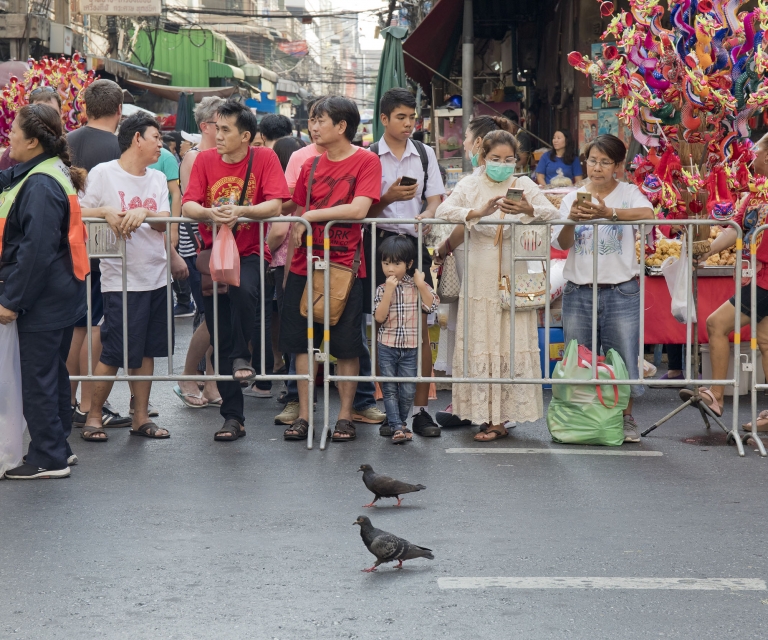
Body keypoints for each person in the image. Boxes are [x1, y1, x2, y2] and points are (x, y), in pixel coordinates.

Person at [435, 126, 559, 440]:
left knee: (509, 342)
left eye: (508, 158)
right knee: (481, 341)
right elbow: (443, 211)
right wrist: (475, 213)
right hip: (478, 277)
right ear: (482, 156)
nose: (502, 163)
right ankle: (482, 414)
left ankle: (499, 420)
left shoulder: (524, 184)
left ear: (516, 160)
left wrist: (528, 209)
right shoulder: (470, 183)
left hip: (514, 275)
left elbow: (552, 214)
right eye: (495, 158)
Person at [274, 96, 385, 428]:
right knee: (301, 343)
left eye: (320, 120)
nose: (313, 126)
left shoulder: (366, 161)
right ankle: (305, 417)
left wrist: (309, 215)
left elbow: (358, 209)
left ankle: (345, 416)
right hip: (303, 265)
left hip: (345, 268)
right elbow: (292, 208)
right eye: (311, 120)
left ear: (341, 126)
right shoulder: (309, 165)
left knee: (347, 346)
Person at [182, 100, 289, 441]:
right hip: (212, 255)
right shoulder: (204, 159)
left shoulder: (265, 158)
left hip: (250, 251)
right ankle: (233, 418)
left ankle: (247, 353)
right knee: (220, 332)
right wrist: (211, 214)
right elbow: (188, 204)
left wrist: (242, 210)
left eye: (226, 129)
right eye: (216, 127)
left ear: (246, 136)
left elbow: (275, 203)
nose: (218, 134)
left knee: (247, 292)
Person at [0, 104, 89, 479]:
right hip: (61, 290)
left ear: (34, 141)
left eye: (14, 133)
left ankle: (48, 457)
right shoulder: (47, 171)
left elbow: (34, 251)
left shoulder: (40, 183)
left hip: (44, 294)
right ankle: (58, 446)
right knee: (51, 372)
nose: (9, 138)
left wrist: (11, 301)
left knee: (37, 376)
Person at [552, 134, 654, 442]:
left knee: (622, 356)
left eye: (605, 162)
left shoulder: (629, 192)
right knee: (577, 358)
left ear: (618, 166)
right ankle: (580, 416)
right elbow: (562, 242)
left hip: (621, 289)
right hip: (578, 289)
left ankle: (626, 417)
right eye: (592, 161)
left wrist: (607, 213)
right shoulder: (573, 196)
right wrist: (571, 219)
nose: (597, 168)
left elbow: (648, 215)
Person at [78, 113, 173, 442]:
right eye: (156, 137)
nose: (161, 144)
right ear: (137, 139)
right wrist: (105, 212)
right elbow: (77, 210)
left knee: (146, 352)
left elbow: (164, 220)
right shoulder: (104, 173)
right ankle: (93, 415)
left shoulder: (157, 179)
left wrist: (144, 212)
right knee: (114, 352)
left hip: (156, 276)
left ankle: (140, 417)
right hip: (121, 280)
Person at [368, 87, 446, 437]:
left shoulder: (425, 153)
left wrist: (426, 215)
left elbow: (435, 200)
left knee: (422, 325)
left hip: (414, 246)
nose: (408, 123)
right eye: (401, 117)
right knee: (381, 324)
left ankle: (420, 411)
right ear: (384, 119)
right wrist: (388, 198)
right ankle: (391, 412)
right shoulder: (369, 155)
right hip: (379, 244)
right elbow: (363, 208)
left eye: (412, 117)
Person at [66, 79, 134, 430]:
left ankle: (72, 401)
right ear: (119, 110)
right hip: (103, 250)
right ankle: (93, 403)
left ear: (85, 108)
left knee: (79, 326)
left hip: (68, 245)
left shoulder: (67, 142)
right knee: (96, 325)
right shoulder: (118, 147)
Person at [688, 133, 768, 430]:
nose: (750, 155)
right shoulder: (752, 194)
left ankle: (717, 394)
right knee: (767, 343)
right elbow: (734, 228)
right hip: (757, 277)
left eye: (755, 150)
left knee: (715, 324)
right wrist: (705, 250)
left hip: (764, 280)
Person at [174, 96, 225, 408]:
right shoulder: (195, 157)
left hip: (218, 243)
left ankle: (210, 380)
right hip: (199, 245)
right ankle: (188, 375)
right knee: (209, 315)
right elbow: (192, 205)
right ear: (206, 126)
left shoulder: (221, 154)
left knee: (220, 315)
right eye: (220, 123)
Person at [373, 236, 440, 443]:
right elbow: (379, 317)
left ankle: (399, 423)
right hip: (387, 345)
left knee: (409, 388)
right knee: (390, 388)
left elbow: (432, 306)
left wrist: (421, 285)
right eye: (386, 263)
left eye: (396, 263)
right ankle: (398, 427)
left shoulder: (416, 286)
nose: (390, 269)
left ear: (409, 264)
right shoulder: (383, 288)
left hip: (411, 346)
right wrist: (389, 292)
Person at [0, 86, 64, 170]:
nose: (45, 118)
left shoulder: (72, 145)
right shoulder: (13, 155)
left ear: (61, 113)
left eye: (51, 113)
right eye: (38, 112)